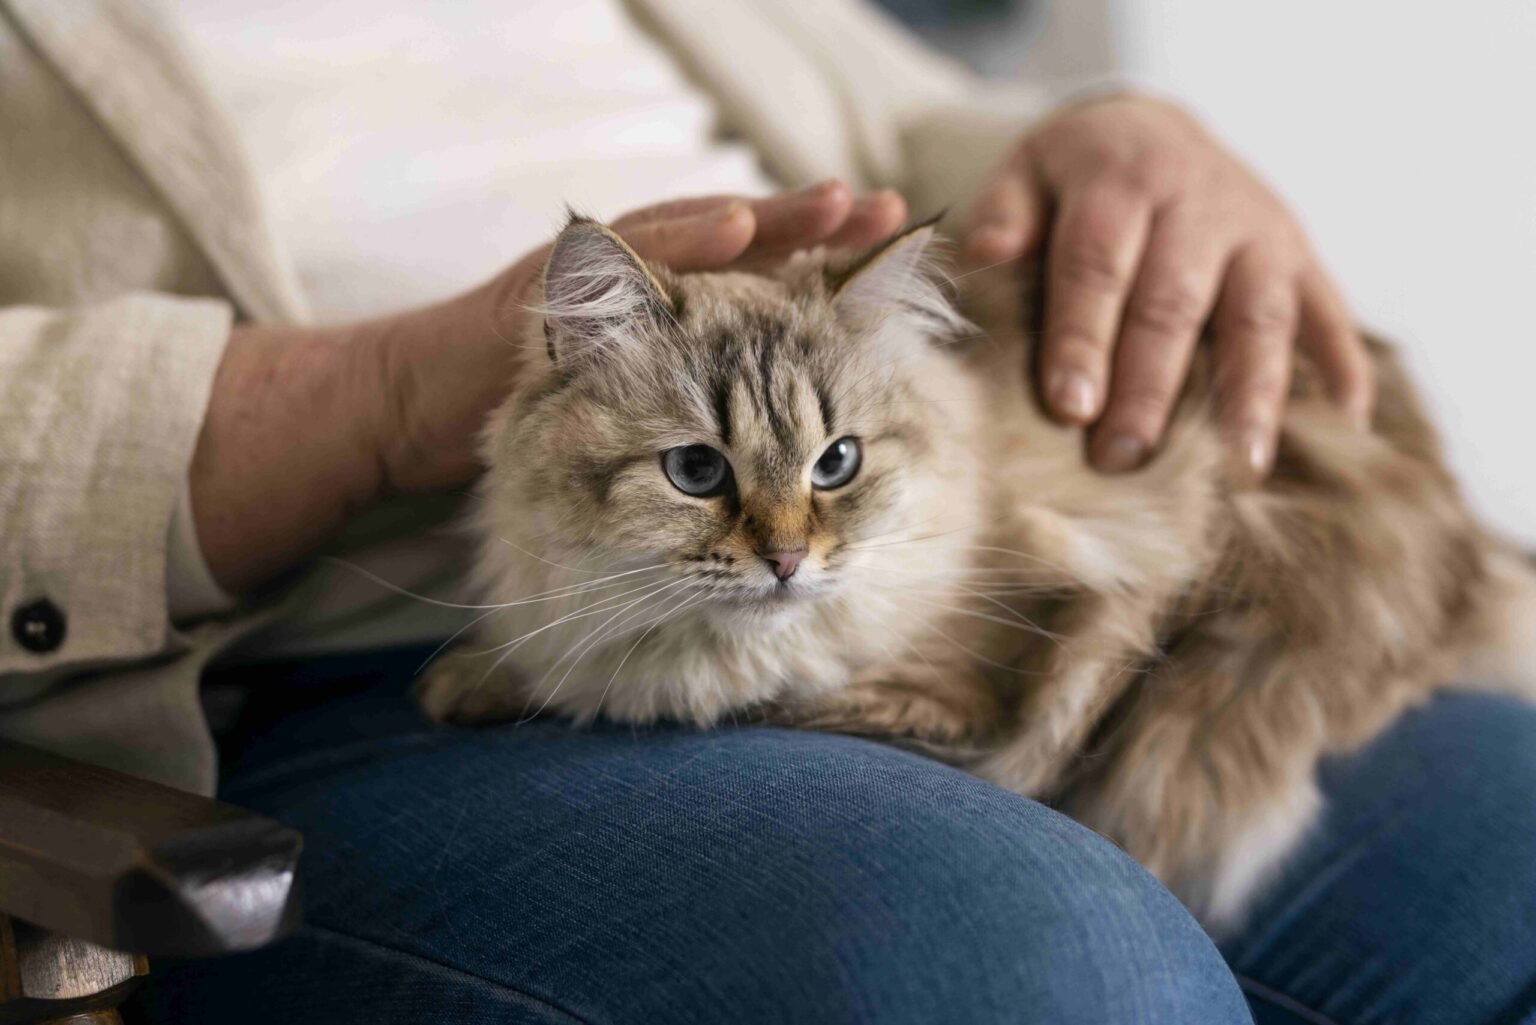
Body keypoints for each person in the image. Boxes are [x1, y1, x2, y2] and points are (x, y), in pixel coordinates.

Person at [0, 1, 1530, 1022]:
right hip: (358, 667)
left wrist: (1105, 138)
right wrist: (378, 392)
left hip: (906, 511)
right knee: (1045, 966)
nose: (778, 532)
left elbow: (918, 120)